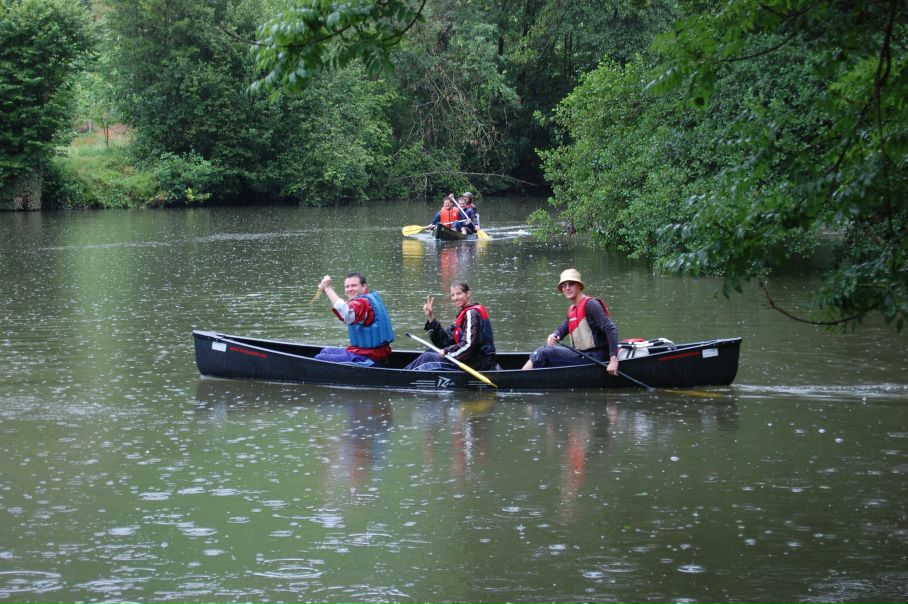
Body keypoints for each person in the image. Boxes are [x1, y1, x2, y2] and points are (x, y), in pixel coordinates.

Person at [521, 268, 619, 373]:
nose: (567, 288)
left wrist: (613, 360)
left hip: (596, 357)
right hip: (582, 355)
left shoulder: (591, 304)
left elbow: (611, 329)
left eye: (571, 284)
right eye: (563, 286)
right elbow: (563, 328)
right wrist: (555, 335)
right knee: (545, 351)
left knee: (541, 353)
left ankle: (517, 379)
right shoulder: (573, 309)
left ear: (580, 286)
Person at [405, 281, 497, 371]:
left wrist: (447, 351)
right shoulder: (464, 314)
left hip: (480, 363)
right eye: (453, 295)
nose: (455, 298)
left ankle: (402, 375)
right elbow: (445, 341)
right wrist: (430, 317)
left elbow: (468, 345)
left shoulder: (472, 313)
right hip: (470, 358)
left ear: (468, 293)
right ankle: (404, 372)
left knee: (427, 358)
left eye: (459, 294)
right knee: (430, 352)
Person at [314, 272, 394, 366]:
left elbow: (346, 313)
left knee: (319, 359)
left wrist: (328, 288)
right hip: (368, 353)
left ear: (364, 286)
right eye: (347, 287)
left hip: (369, 359)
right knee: (326, 350)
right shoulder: (367, 299)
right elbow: (348, 307)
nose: (350, 289)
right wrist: (328, 291)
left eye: (354, 286)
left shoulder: (363, 303)